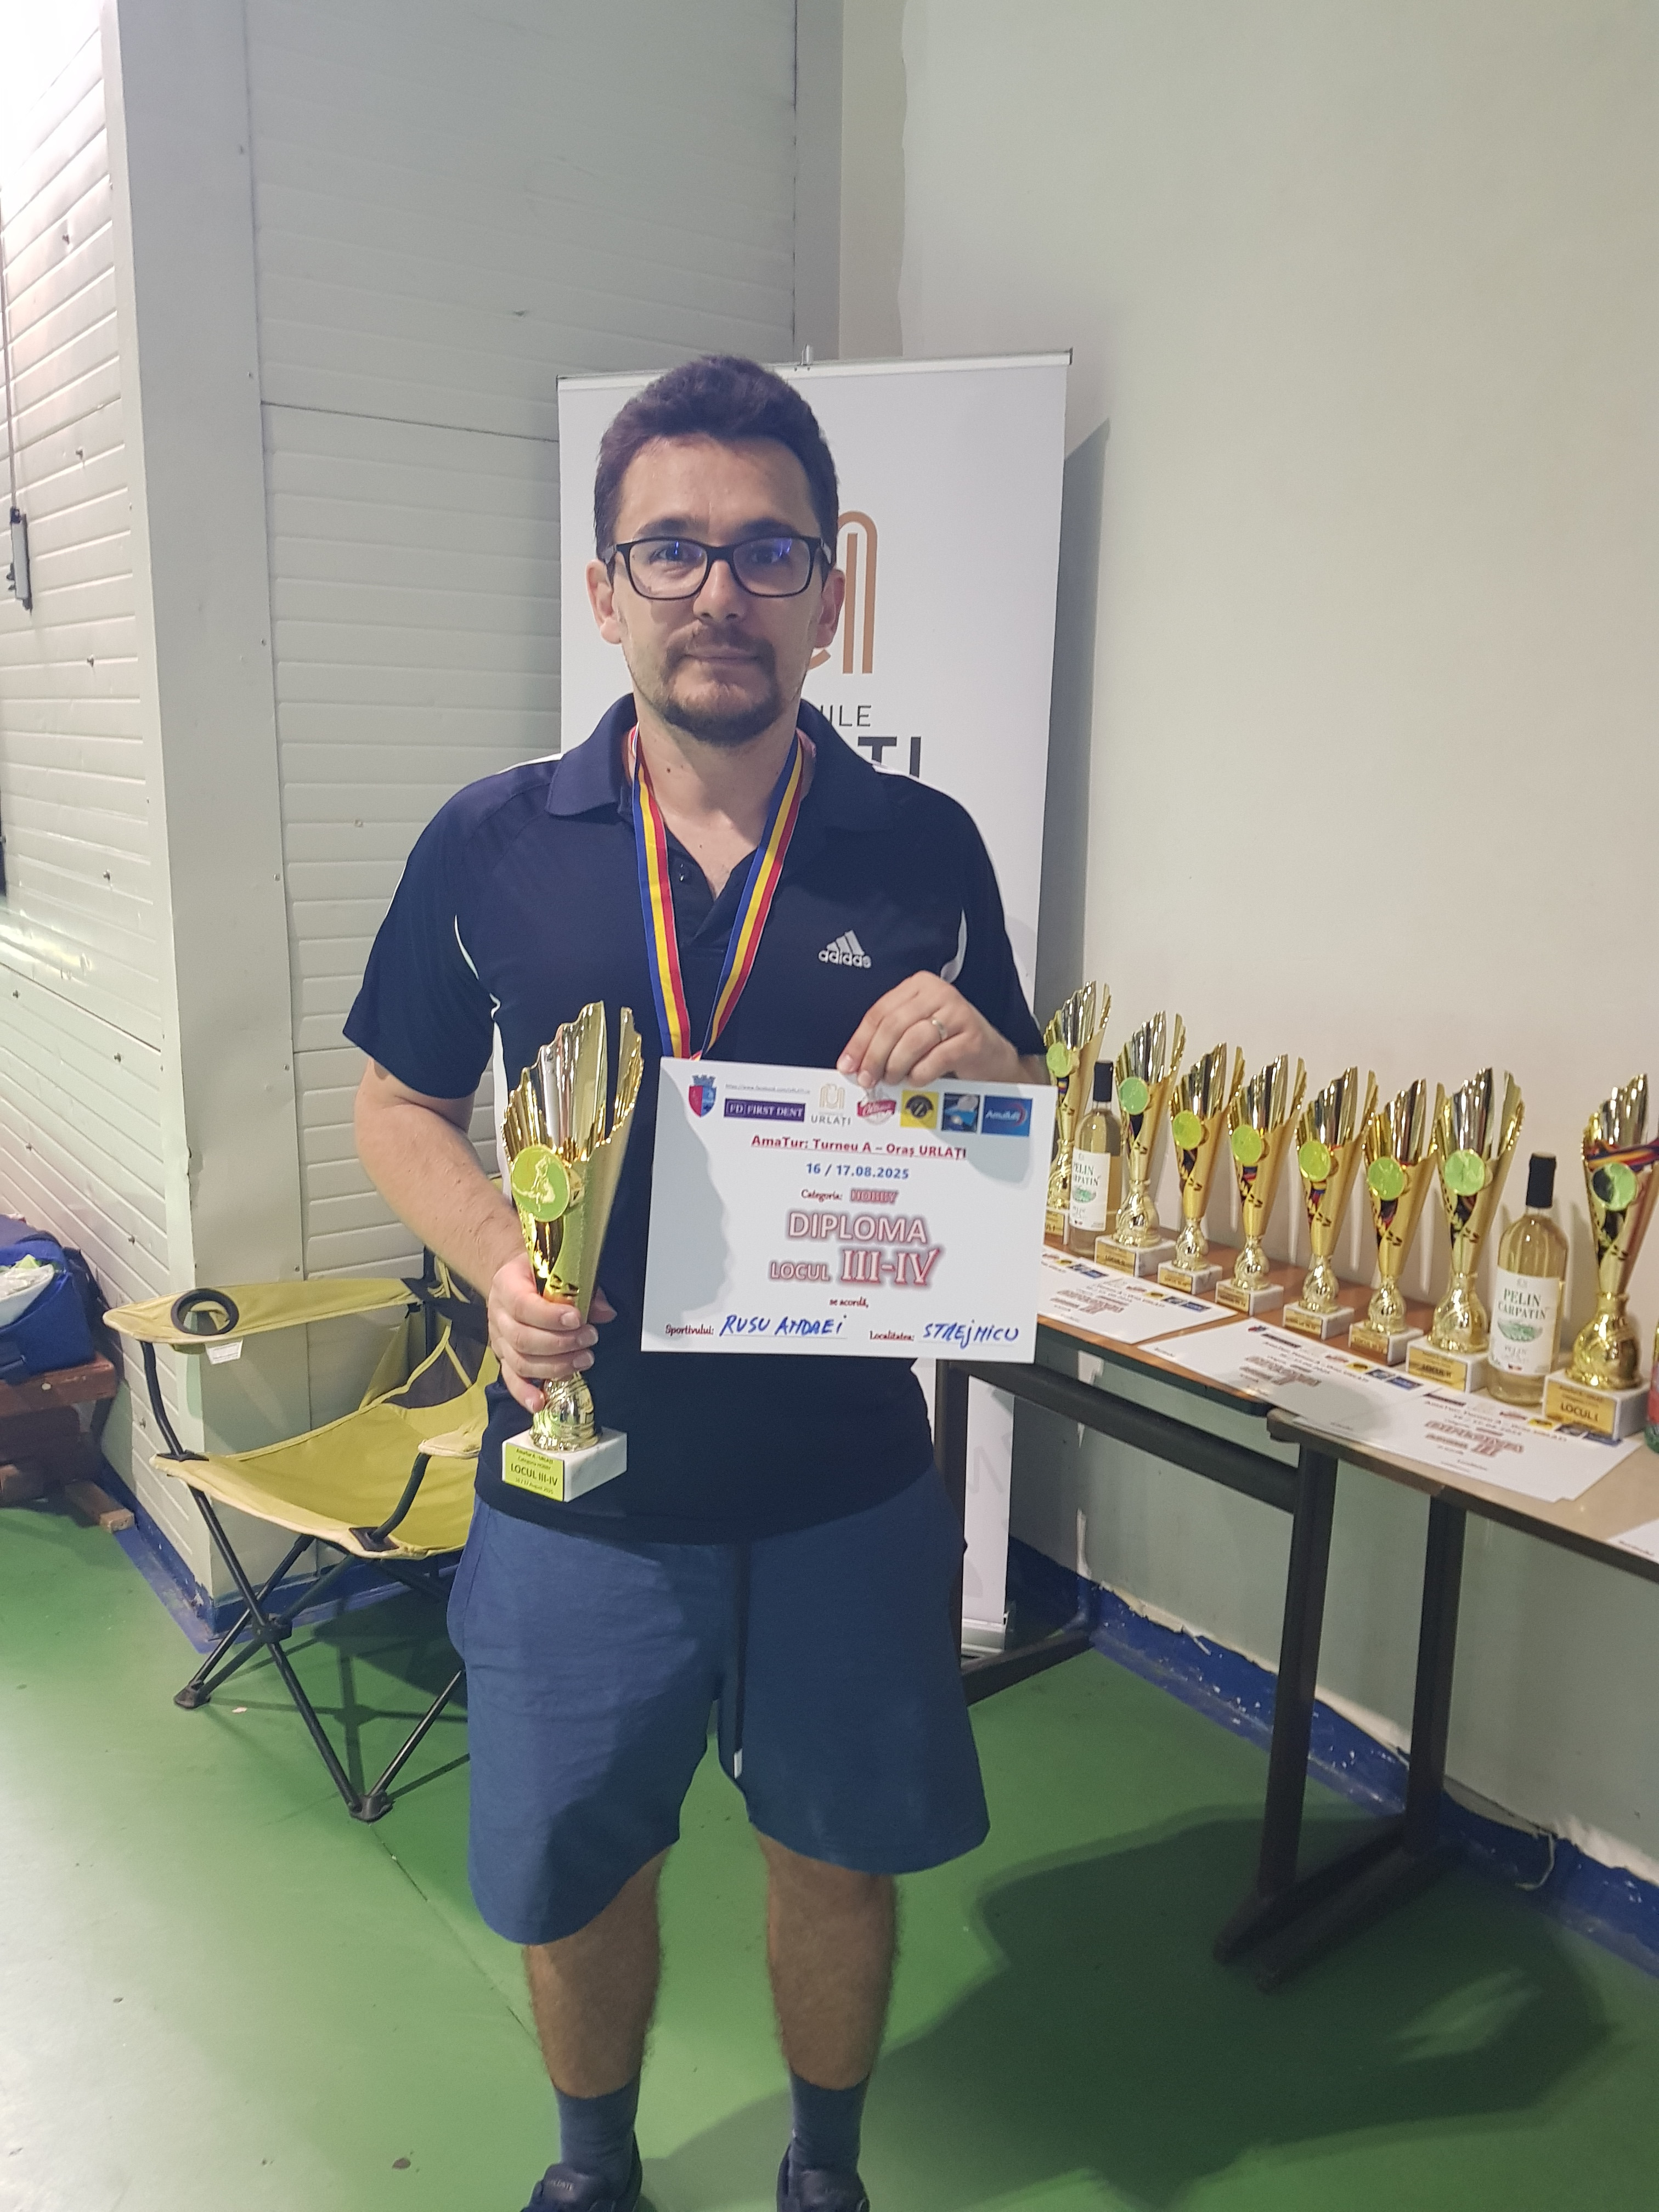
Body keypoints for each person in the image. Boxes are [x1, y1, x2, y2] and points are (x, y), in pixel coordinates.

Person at [349, 354, 1047, 2212]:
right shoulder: (493, 841)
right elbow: (399, 1104)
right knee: (580, 1874)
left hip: (845, 1487)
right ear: (607, 590)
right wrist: (499, 1257)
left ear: (830, 591)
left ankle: (825, 2173)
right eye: (671, 549)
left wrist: (994, 1063)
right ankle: (595, 2174)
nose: (718, 590)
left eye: (767, 551)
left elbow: (1014, 1107)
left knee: (836, 1860)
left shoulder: (925, 848)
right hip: (578, 1485)